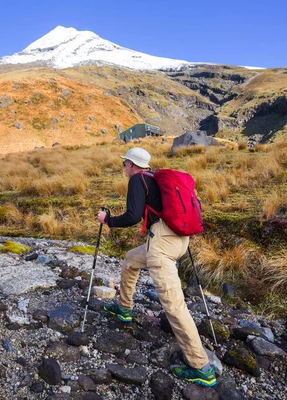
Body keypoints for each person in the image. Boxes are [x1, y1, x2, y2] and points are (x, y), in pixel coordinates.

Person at [96, 147, 216, 387]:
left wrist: (107, 220)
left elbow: (131, 216)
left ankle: (201, 367)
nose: (125, 168)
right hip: (178, 240)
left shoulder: (138, 180)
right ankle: (124, 308)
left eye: (125, 164)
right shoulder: (155, 179)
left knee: (173, 304)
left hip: (161, 245)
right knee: (131, 260)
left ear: (131, 164)